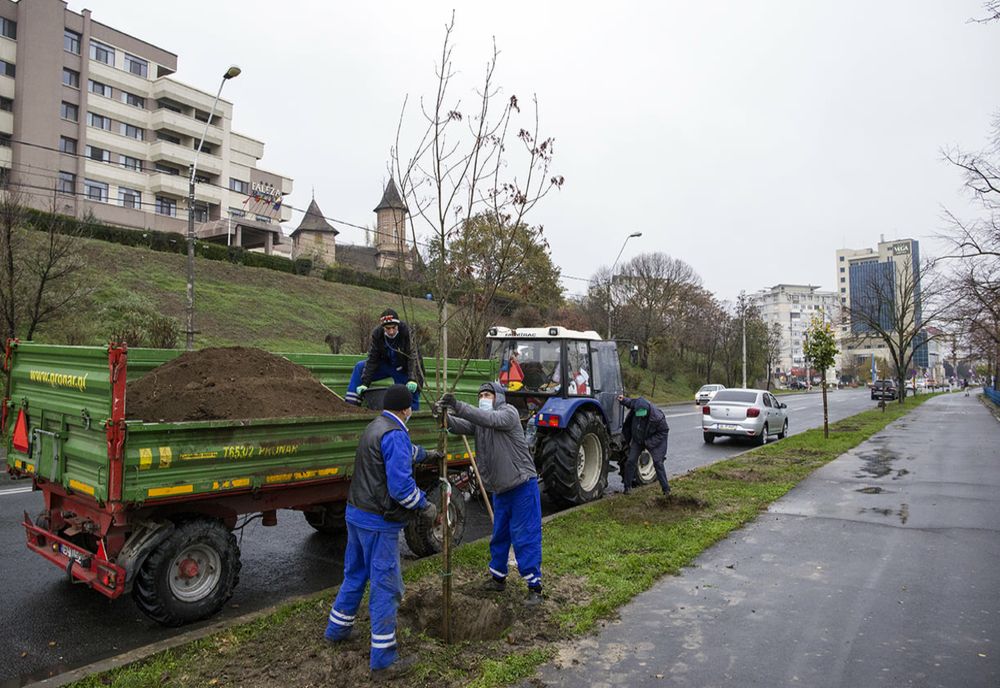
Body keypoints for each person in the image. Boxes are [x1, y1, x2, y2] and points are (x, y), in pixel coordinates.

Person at [324, 384, 441, 678]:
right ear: (406, 409)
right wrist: (425, 505)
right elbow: (401, 488)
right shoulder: (395, 434)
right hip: (379, 521)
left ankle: (337, 629)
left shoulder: (376, 426)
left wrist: (427, 454)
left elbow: (403, 453)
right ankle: (384, 660)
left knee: (355, 573)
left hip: (356, 514)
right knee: (386, 586)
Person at [437, 382, 544, 606]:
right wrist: (441, 414)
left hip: (522, 485)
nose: (484, 398)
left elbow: (489, 419)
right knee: (499, 536)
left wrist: (457, 405)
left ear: (498, 397)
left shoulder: (508, 414)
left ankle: (534, 586)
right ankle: (498, 578)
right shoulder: (480, 423)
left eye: (488, 395)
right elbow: (457, 425)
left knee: (525, 535)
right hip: (500, 489)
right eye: (481, 395)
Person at [346, 309, 421, 409]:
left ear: (397, 325)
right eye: (387, 328)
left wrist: (413, 379)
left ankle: (413, 416)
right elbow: (372, 359)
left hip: (404, 368)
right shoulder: (377, 334)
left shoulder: (407, 333)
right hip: (387, 365)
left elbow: (414, 358)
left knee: (409, 394)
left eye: (393, 328)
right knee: (360, 367)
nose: (391, 331)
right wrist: (365, 383)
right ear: (383, 328)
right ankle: (352, 404)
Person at [618, 395, 671, 497]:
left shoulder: (657, 417)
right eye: (639, 415)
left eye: (643, 415)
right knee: (630, 461)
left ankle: (666, 489)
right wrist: (623, 399)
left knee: (658, 463)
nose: (641, 417)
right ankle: (627, 487)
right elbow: (630, 402)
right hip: (638, 440)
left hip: (652, 440)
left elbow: (664, 432)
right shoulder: (637, 405)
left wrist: (649, 443)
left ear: (647, 410)